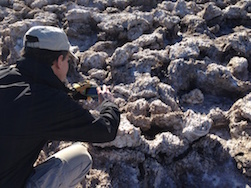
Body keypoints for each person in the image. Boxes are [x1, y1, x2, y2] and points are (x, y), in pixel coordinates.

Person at [0, 25, 120, 187]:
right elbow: (105, 130)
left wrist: (75, 92)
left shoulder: (5, 75)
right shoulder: (47, 101)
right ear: (58, 61)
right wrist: (109, 104)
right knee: (81, 158)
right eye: (67, 60)